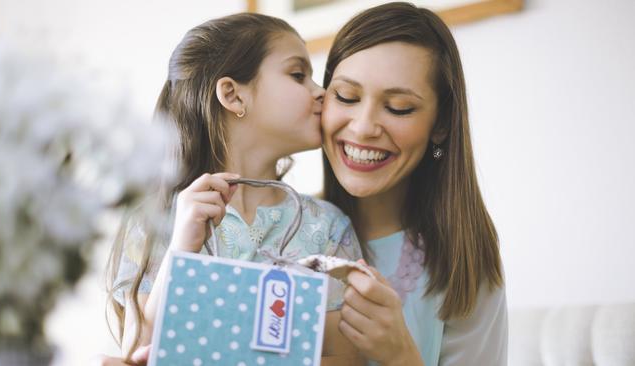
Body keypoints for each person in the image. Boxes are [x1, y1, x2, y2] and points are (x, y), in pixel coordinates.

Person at [105, 12, 364, 365]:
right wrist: (182, 250)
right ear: (233, 95)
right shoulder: (155, 223)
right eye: (298, 75)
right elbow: (137, 353)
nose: (321, 93)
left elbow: (344, 358)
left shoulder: (327, 228)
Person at [320, 3, 508, 365]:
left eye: (399, 107)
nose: (362, 127)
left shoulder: (464, 258)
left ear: (440, 125)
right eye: (346, 97)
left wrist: (400, 355)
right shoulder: (277, 227)